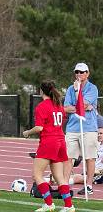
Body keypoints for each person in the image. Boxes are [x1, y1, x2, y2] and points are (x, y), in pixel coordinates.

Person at [23, 80, 75, 212]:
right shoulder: (58, 104)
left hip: (49, 142)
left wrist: (28, 132)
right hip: (60, 141)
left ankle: (49, 204)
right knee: (60, 177)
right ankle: (69, 206)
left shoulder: (41, 106)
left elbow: (40, 128)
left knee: (37, 174)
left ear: (41, 91)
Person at [63, 62, 99, 195]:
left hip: (88, 127)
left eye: (82, 72)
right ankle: (64, 185)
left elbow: (83, 105)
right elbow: (66, 108)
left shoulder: (92, 88)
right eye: (77, 72)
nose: (79, 74)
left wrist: (78, 93)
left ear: (87, 73)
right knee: (68, 157)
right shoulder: (69, 89)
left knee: (89, 157)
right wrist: (80, 107)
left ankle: (88, 185)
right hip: (72, 128)